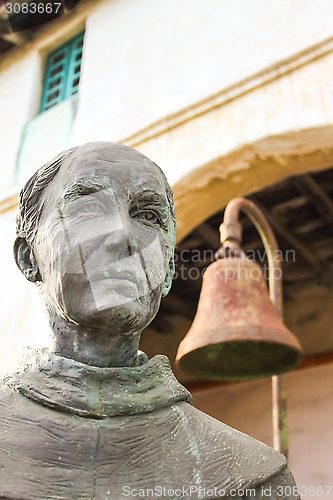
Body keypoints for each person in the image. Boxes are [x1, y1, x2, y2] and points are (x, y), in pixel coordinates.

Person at [0, 142, 300, 499]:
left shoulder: (255, 479)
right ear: (28, 257)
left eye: (147, 216)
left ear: (169, 271)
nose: (125, 236)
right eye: (90, 208)